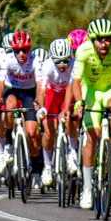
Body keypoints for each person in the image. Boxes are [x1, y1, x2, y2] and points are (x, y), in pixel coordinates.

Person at [71, 17, 111, 209]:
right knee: (91, 138)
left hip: (110, 89)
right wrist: (79, 102)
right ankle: (87, 189)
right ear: (92, 39)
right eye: (100, 39)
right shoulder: (83, 51)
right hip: (91, 91)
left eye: (108, 38)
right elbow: (76, 81)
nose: (105, 43)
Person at [0, 29, 42, 186]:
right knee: (9, 106)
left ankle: (36, 167)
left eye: (24, 50)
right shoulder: (7, 60)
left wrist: (39, 100)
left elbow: (40, 85)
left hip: (29, 92)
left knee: (32, 132)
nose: (21, 54)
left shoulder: (36, 60)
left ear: (29, 49)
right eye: (17, 50)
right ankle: (8, 144)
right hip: (11, 90)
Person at [35, 35, 76, 187]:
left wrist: (69, 108)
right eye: (59, 61)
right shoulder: (46, 66)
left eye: (66, 60)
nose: (63, 64)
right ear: (52, 59)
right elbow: (42, 90)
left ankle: (72, 152)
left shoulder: (74, 64)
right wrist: (41, 107)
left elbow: (75, 88)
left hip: (68, 93)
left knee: (71, 117)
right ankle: (47, 166)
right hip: (52, 94)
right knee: (48, 131)